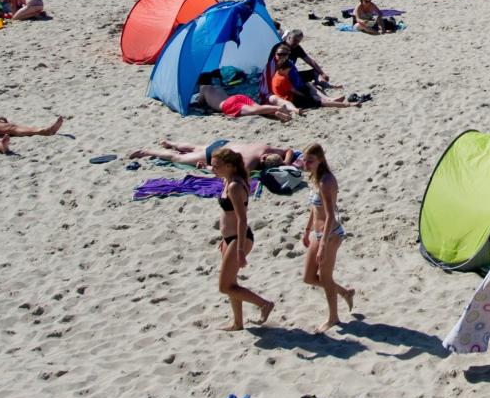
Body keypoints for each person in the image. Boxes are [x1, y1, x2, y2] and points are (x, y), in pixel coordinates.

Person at [210, 147, 274, 331]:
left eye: (217, 166)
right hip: (229, 239)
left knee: (225, 286)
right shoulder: (227, 179)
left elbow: (242, 218)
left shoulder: (235, 186)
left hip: (239, 239)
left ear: (229, 166)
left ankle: (264, 304)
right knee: (232, 284)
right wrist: (224, 239)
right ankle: (237, 323)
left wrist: (239, 251)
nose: (213, 169)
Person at [298, 143, 355, 333]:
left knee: (325, 277)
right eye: (304, 160)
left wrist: (323, 244)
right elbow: (315, 209)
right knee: (308, 277)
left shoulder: (326, 182)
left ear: (320, 160)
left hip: (330, 234)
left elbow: (330, 215)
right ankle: (344, 292)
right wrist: (307, 230)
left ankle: (333, 318)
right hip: (318, 232)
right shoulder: (315, 178)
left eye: (310, 161)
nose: (305, 164)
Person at [128, 140, 298, 172]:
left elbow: (289, 150)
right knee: (178, 158)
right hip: (216, 155)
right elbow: (226, 173)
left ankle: (170, 143)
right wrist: (207, 168)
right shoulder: (251, 164)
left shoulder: (266, 148)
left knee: (195, 147)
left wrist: (286, 162)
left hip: (223, 143)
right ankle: (146, 152)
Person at [270, 45, 352, 109]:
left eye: (284, 54)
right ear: (275, 54)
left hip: (294, 86)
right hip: (291, 92)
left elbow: (296, 75)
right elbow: (285, 83)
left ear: (288, 55)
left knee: (312, 82)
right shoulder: (275, 65)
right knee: (312, 93)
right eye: (279, 54)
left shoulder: (288, 64)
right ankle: (329, 100)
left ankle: (329, 94)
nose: (281, 56)